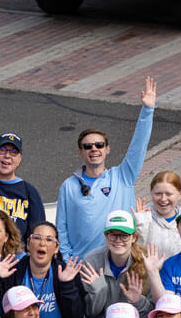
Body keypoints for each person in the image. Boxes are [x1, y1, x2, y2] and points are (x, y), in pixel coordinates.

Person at [56, 77, 156, 258]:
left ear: (107, 149)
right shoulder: (68, 186)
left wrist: (147, 110)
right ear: (80, 151)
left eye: (99, 145)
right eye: (88, 146)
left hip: (121, 260)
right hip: (82, 266)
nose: (94, 149)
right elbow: (62, 228)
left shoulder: (123, 176)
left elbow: (138, 146)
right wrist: (67, 259)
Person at [79, 210, 153, 318]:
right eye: (113, 235)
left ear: (134, 237)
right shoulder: (92, 261)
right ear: (106, 236)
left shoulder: (145, 263)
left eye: (124, 235)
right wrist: (98, 292)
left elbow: (151, 316)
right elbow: (89, 313)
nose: (118, 240)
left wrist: (138, 301)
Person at [134, 171, 181, 259]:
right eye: (158, 194)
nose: (163, 199)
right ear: (151, 192)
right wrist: (141, 227)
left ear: (180, 193)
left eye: (169, 194)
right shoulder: (141, 217)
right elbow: (135, 253)